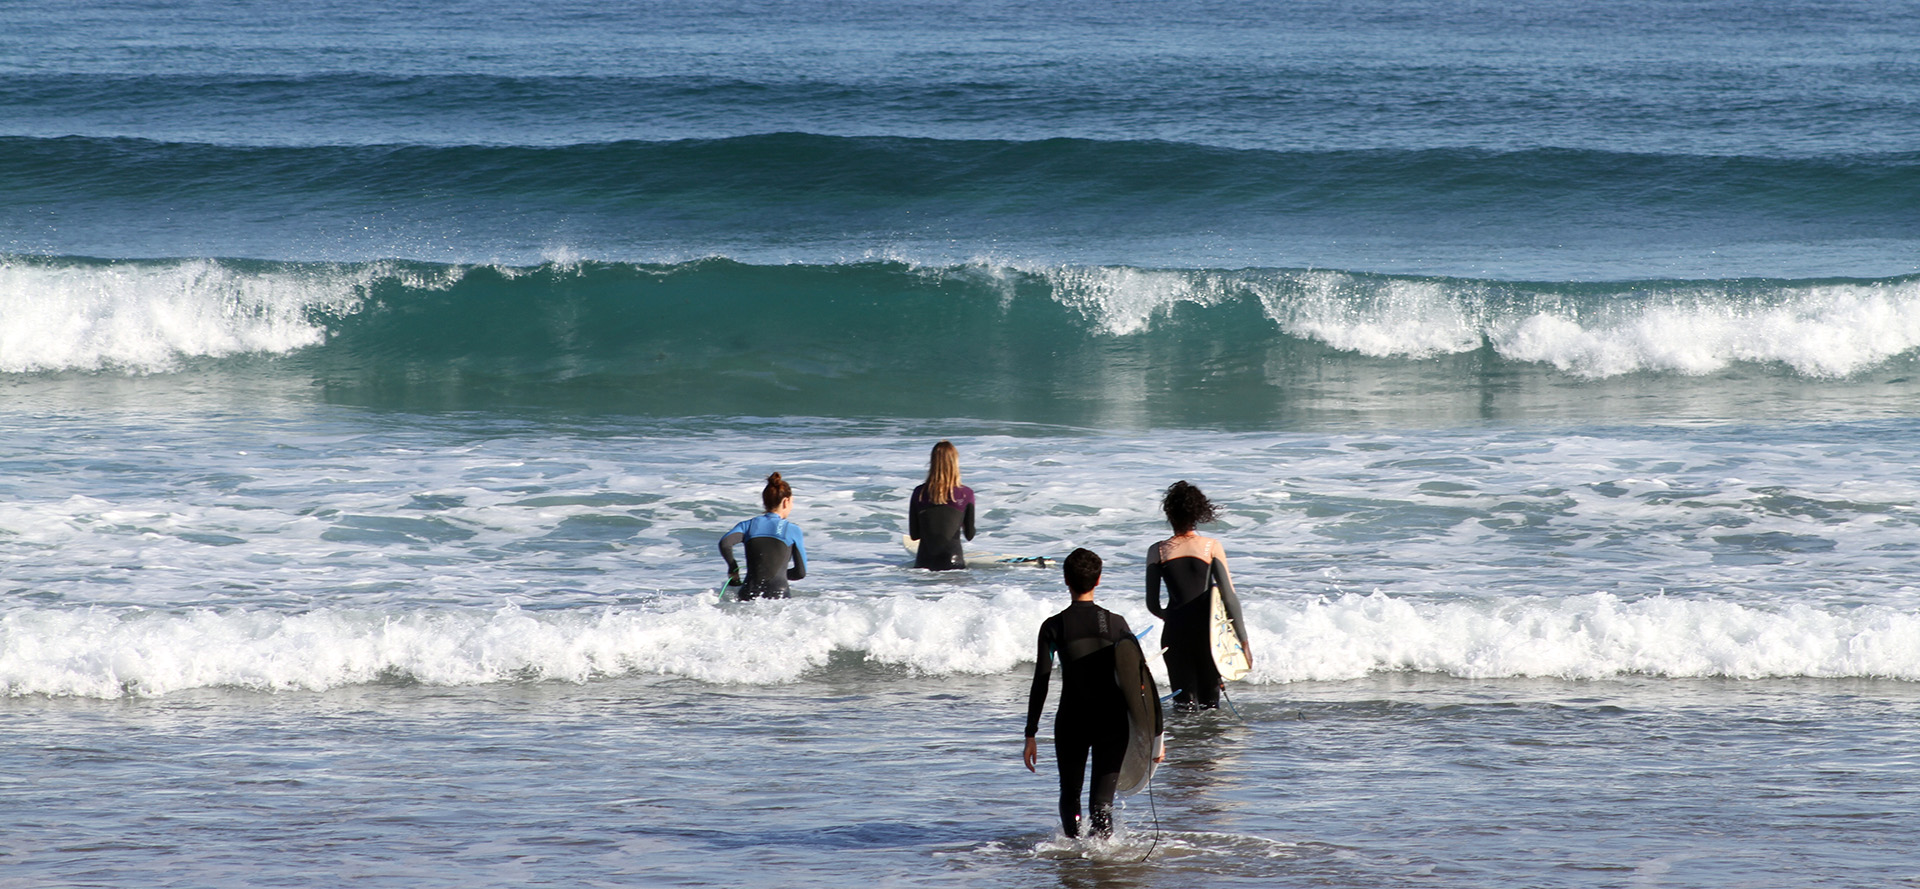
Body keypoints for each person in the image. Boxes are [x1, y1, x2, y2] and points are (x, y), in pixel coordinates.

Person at [1023, 548, 1162, 839]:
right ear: (1098, 580)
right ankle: (1103, 862)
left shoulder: (1053, 627)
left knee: (1070, 793)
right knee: (1102, 805)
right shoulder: (1116, 623)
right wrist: (1154, 740)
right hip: (1112, 724)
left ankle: (1073, 855)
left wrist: (1030, 734)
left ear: (1065, 580)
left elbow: (1041, 681)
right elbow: (1139, 684)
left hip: (1072, 720)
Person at [1146, 480, 1251, 711]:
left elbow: (1152, 604)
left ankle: (1185, 746)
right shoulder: (1211, 546)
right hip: (1208, 635)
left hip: (1175, 633)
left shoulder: (1158, 550)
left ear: (1169, 512)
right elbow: (1229, 597)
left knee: (1183, 704)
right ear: (1199, 513)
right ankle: (1208, 746)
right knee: (1210, 704)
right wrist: (1243, 641)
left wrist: (1172, 616)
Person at [718, 472, 807, 600]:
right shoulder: (792, 530)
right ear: (786, 501)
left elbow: (725, 543)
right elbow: (800, 573)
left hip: (748, 592)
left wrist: (733, 568)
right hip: (778, 594)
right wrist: (779, 575)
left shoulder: (748, 525)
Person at [907, 440, 975, 570]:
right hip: (954, 565)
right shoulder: (966, 493)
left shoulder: (919, 493)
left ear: (932, 463)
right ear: (955, 463)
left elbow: (914, 535)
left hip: (924, 564)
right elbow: (970, 535)